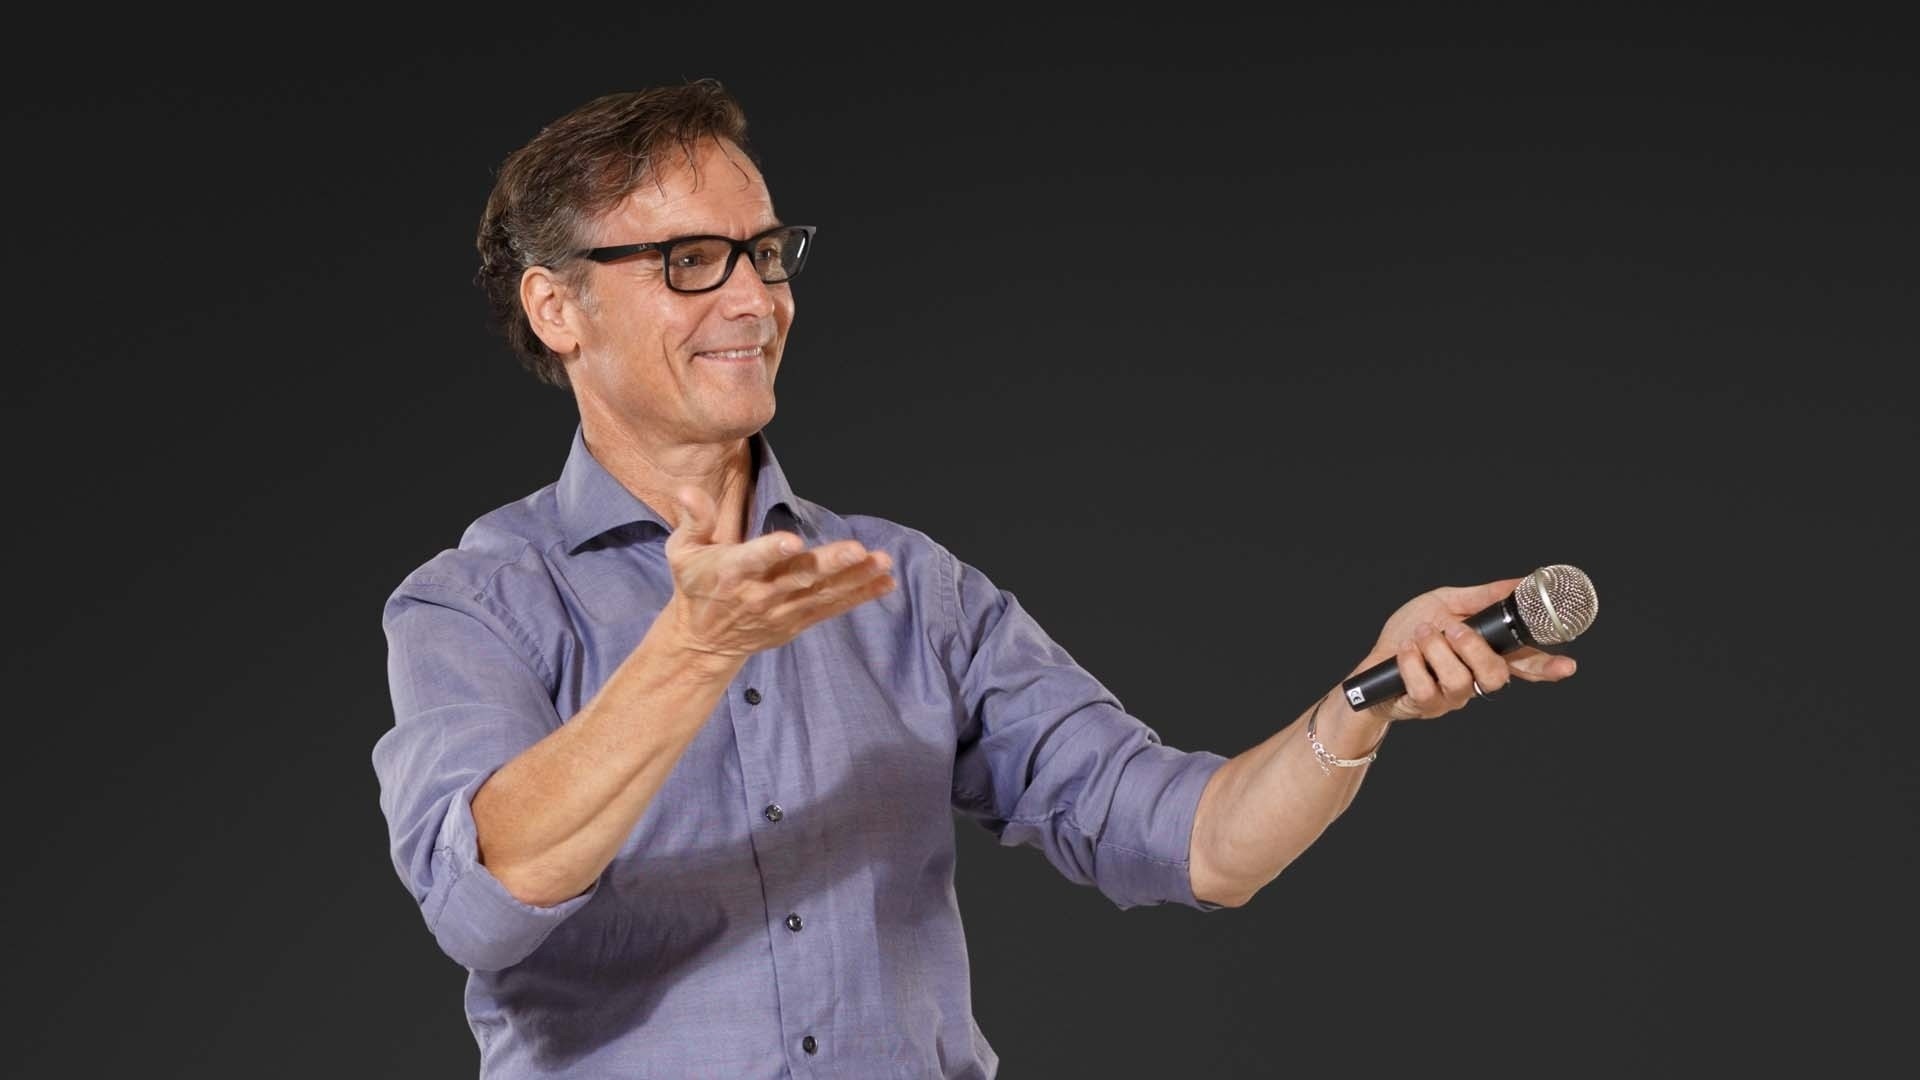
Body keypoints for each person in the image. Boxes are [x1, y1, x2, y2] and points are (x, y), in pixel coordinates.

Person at [369, 77, 1579, 1079]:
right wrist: (694, 651)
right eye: (691, 261)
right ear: (558, 308)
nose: (753, 297)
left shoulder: (908, 586)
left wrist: (1361, 703)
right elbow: (483, 899)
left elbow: (1196, 844)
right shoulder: (475, 603)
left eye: (765, 252)